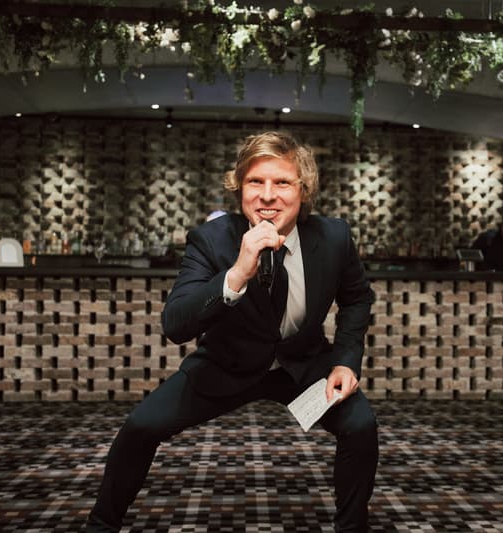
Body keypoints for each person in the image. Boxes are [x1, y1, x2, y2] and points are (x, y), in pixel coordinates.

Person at [85, 131, 378, 533]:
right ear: (239, 187)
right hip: (227, 365)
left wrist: (345, 361)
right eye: (255, 182)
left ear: (304, 189)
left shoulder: (334, 237)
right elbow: (175, 325)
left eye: (282, 182)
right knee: (140, 427)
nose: (267, 195)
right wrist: (238, 272)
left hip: (301, 367)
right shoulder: (211, 240)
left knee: (360, 426)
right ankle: (100, 524)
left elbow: (357, 299)